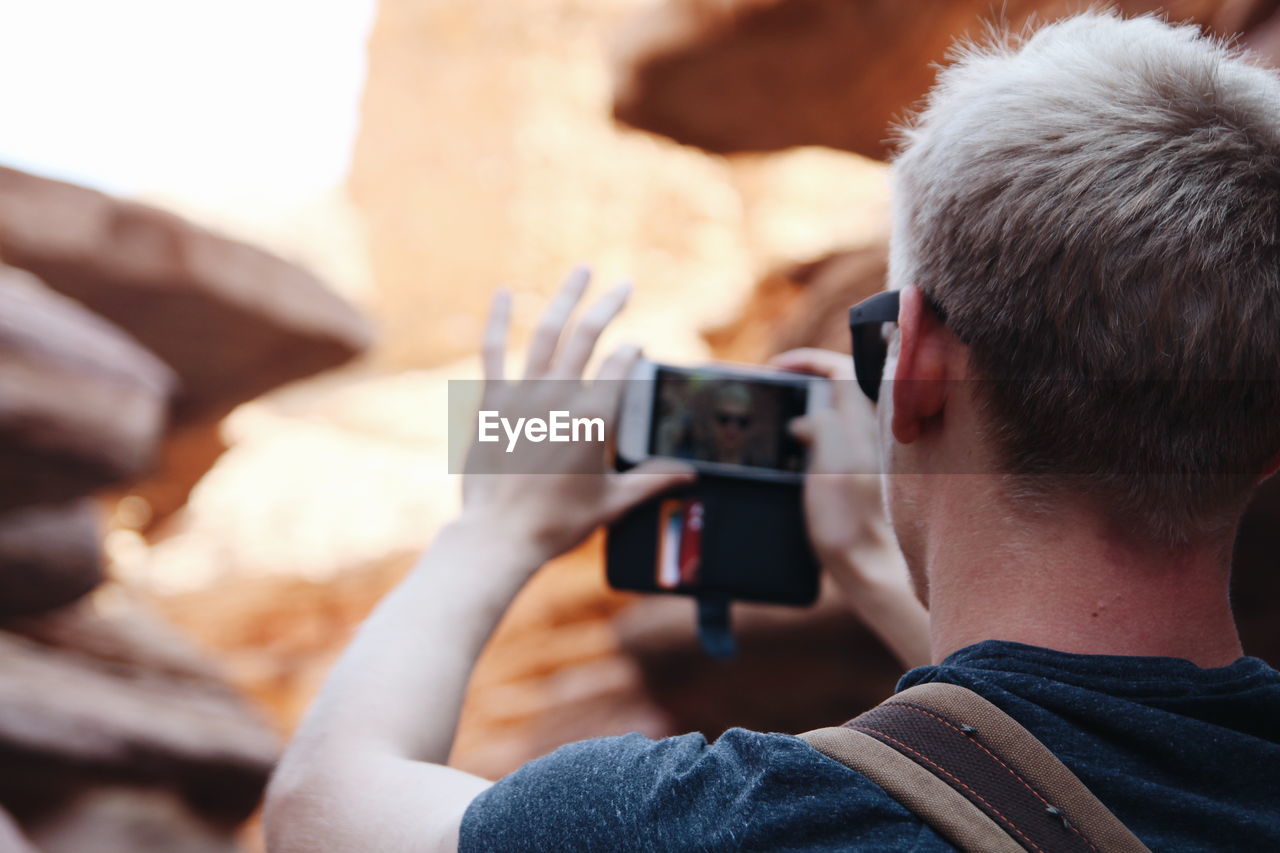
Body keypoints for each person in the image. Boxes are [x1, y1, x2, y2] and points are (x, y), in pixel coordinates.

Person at [263, 12, 1280, 852]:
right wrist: (872, 564)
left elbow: (321, 809)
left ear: (914, 363)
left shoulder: (740, 820)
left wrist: (491, 526)